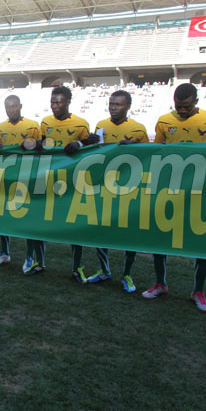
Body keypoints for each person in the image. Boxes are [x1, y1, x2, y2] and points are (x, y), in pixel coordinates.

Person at [142, 82, 206, 312]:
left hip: (200, 189)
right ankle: (160, 283)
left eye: (187, 106)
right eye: (179, 106)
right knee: (160, 236)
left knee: (201, 240)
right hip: (169, 188)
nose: (182, 111)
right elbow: (155, 152)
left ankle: (198, 291)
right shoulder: (164, 121)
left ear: (196, 102)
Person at [87, 90, 150, 292]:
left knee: (128, 232)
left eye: (118, 104)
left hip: (129, 186)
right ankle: (104, 270)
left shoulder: (138, 129)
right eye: (111, 103)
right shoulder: (100, 125)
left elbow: (150, 156)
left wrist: (135, 147)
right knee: (99, 230)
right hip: (105, 184)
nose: (113, 107)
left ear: (128, 107)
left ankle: (127, 274)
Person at [36, 86, 95, 276]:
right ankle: (39, 262)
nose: (55, 106)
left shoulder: (81, 124)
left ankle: (77, 267)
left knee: (73, 226)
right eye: (52, 102)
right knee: (40, 221)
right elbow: (43, 143)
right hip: (49, 178)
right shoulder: (45, 122)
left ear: (68, 102)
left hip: (72, 181)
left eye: (59, 102)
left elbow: (92, 144)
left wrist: (78, 144)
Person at [0, 95, 41, 268]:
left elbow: (40, 147)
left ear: (20, 106)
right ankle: (5, 252)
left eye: (13, 106)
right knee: (3, 216)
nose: (10, 110)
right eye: (7, 107)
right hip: (6, 176)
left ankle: (29, 256)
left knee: (27, 217)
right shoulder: (0, 127)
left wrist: (33, 143)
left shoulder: (32, 125)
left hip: (26, 176)